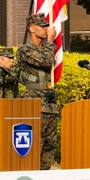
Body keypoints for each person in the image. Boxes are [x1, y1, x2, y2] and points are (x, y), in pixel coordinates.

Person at [16, 13, 58, 170]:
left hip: (49, 103)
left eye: (47, 26)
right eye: (42, 26)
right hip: (34, 103)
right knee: (35, 144)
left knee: (50, 144)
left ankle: (44, 176)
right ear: (32, 29)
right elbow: (45, 61)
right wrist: (51, 42)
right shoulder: (25, 50)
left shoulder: (46, 49)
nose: (47, 29)